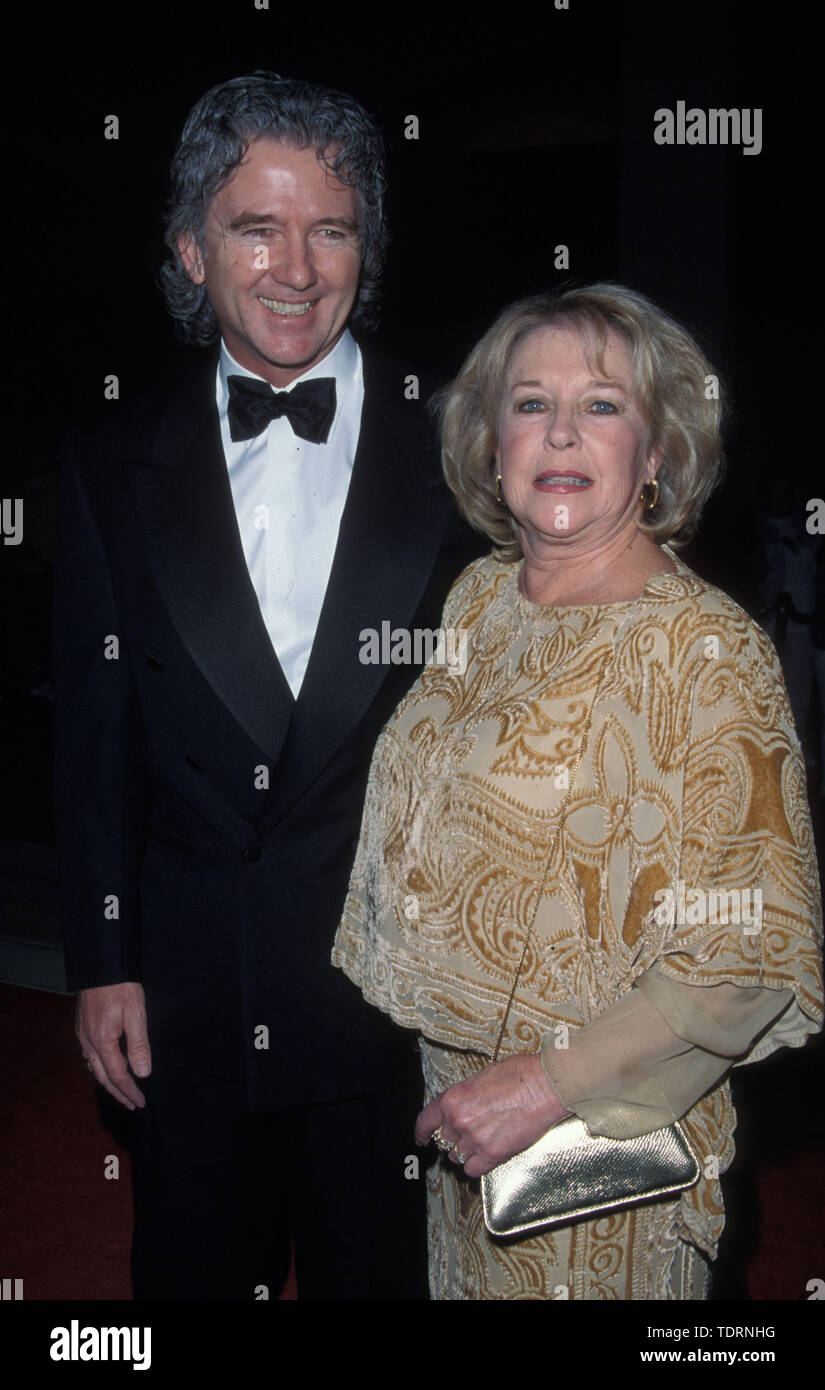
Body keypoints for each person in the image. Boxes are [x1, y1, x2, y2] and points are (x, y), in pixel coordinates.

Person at [52, 72, 484, 1301]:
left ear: (368, 248)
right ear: (193, 248)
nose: (297, 267)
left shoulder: (468, 445)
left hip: (399, 1000)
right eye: (256, 227)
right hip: (192, 989)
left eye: (331, 228)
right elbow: (94, 743)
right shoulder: (108, 463)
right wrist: (103, 957)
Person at [332, 283, 824, 1300]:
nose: (560, 430)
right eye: (529, 402)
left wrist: (543, 1083)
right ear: (490, 440)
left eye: (602, 404)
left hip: (602, 1139)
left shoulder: (704, 650)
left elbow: (754, 944)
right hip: (460, 1110)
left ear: (655, 454)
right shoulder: (481, 597)